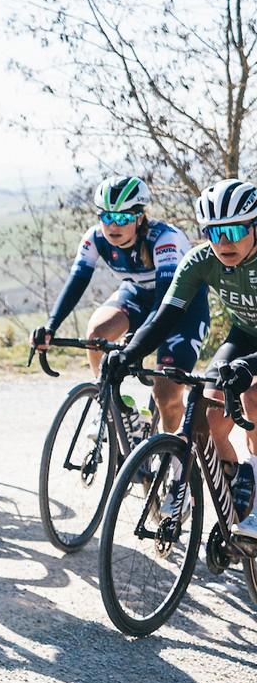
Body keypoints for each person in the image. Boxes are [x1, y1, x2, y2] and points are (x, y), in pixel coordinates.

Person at [105, 178, 257, 535]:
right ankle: (239, 477)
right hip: (244, 336)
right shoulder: (202, 260)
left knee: (254, 399)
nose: (224, 242)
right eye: (214, 232)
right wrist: (128, 354)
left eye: (235, 230)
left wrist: (249, 366)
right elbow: (165, 317)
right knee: (206, 414)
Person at [31, 176, 204, 434]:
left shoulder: (165, 239)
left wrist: (140, 340)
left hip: (179, 306)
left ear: (139, 217)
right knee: (96, 336)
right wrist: (50, 326)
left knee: (166, 394)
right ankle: (114, 409)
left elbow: (164, 303)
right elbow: (77, 281)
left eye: (122, 218)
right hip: (136, 294)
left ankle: (169, 449)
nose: (113, 225)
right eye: (107, 217)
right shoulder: (95, 237)